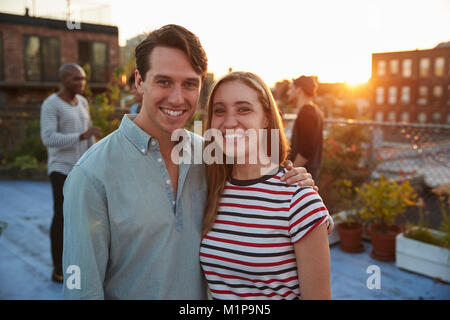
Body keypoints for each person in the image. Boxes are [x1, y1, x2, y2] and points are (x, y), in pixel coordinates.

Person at [62, 25, 315, 299]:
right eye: (164, 82)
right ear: (138, 81)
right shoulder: (91, 174)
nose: (177, 98)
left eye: (189, 84)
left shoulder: (210, 155)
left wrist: (294, 180)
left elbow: (258, 182)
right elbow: (82, 290)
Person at [200, 71, 333, 300]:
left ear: (266, 118)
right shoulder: (210, 190)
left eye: (243, 109)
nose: (229, 121)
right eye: (219, 110)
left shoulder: (299, 199)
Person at [40, 63, 102, 283]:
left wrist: (94, 156)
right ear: (64, 79)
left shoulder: (83, 102)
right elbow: (48, 138)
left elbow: (90, 134)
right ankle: (58, 269)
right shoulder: (51, 104)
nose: (81, 83)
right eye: (76, 79)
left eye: (83, 79)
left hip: (82, 170)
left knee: (84, 219)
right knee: (62, 217)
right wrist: (81, 136)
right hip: (60, 169)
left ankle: (79, 263)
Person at [287, 75, 324, 182]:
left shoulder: (307, 113)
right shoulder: (314, 111)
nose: (288, 92)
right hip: (307, 174)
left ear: (299, 90)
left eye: (291, 88)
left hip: (302, 177)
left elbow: (306, 150)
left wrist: (291, 173)